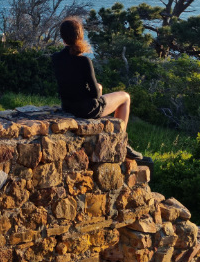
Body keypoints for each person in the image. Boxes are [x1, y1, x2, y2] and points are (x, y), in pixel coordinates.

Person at [51, 16, 141, 159]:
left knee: (100, 90)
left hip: (68, 106)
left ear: (62, 37)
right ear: (80, 36)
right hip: (85, 109)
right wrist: (98, 88)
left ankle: (107, 136)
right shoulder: (84, 61)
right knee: (125, 97)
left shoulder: (55, 57)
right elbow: (94, 94)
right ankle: (122, 142)